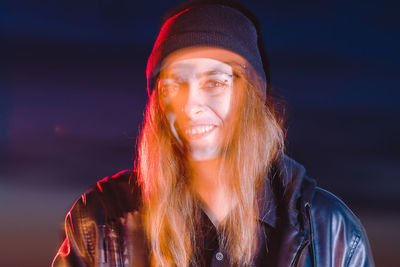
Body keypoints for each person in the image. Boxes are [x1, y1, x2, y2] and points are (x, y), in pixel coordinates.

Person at [52, 0, 375, 266]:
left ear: (251, 96)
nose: (192, 103)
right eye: (174, 84)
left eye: (215, 82)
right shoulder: (98, 221)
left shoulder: (333, 232)